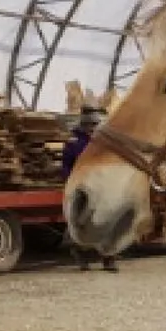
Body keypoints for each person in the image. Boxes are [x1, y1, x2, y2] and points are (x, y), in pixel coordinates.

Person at [60, 108, 119, 272]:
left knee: (108, 223)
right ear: (83, 125)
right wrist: (71, 181)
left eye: (95, 124)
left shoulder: (105, 142)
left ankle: (109, 259)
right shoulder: (74, 143)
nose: (92, 128)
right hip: (82, 187)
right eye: (89, 125)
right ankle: (81, 257)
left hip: (103, 186)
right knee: (81, 223)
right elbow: (66, 165)